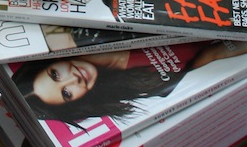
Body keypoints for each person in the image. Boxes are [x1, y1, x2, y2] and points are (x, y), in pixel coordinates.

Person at [12, 41, 247, 123]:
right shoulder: (150, 87)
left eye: (55, 74)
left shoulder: (84, 34)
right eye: (66, 93)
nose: (73, 78)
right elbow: (216, 54)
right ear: (77, 102)